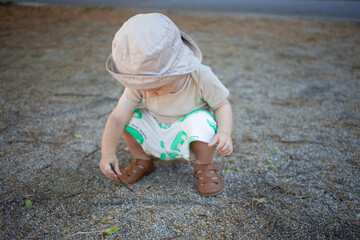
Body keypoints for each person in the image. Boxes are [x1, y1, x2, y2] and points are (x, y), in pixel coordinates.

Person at [100, 13, 233, 196]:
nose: (147, 92)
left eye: (156, 86)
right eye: (142, 87)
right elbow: (117, 116)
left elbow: (222, 105)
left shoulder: (200, 77)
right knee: (128, 119)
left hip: (187, 130)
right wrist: (107, 153)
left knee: (203, 121)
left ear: (178, 71)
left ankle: (204, 166)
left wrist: (224, 133)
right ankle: (142, 160)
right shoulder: (142, 84)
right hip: (155, 127)